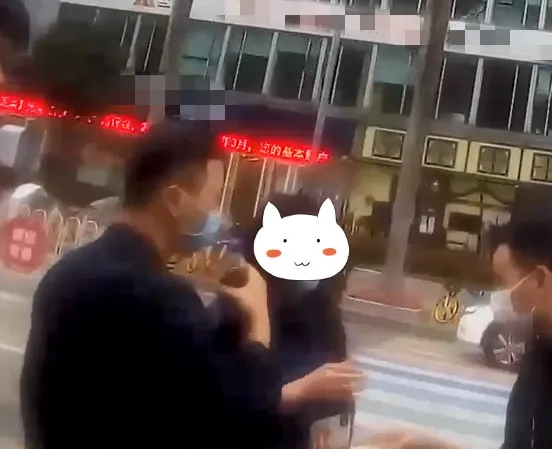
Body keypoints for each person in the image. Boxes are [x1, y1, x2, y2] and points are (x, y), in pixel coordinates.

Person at [20, 121, 363, 449]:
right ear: (175, 199)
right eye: (212, 198)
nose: (214, 213)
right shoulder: (159, 298)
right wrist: (259, 323)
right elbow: (235, 412)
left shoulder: (66, 273)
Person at [372, 220, 552, 449]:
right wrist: (430, 446)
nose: (497, 294)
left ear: (539, 280)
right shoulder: (543, 353)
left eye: (502, 281)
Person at [242, 193, 353, 449]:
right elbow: (225, 404)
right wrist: (297, 392)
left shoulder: (322, 311)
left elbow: (335, 388)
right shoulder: (238, 312)